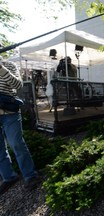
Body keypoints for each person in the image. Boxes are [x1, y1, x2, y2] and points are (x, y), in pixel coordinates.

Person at [0, 55, 40, 195]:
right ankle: (8, 177)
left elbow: (18, 85)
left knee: (16, 143)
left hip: (9, 113)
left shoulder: (9, 66)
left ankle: (30, 175)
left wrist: (1, 68)